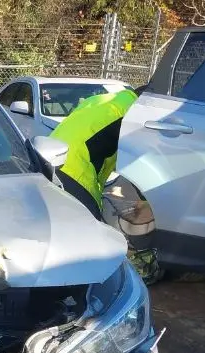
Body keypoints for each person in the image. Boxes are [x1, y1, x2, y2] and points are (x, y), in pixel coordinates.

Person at [50, 88, 161, 283]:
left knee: (63, 227)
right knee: (91, 235)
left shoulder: (108, 100)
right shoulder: (135, 116)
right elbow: (141, 170)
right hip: (75, 170)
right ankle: (88, 283)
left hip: (50, 156)